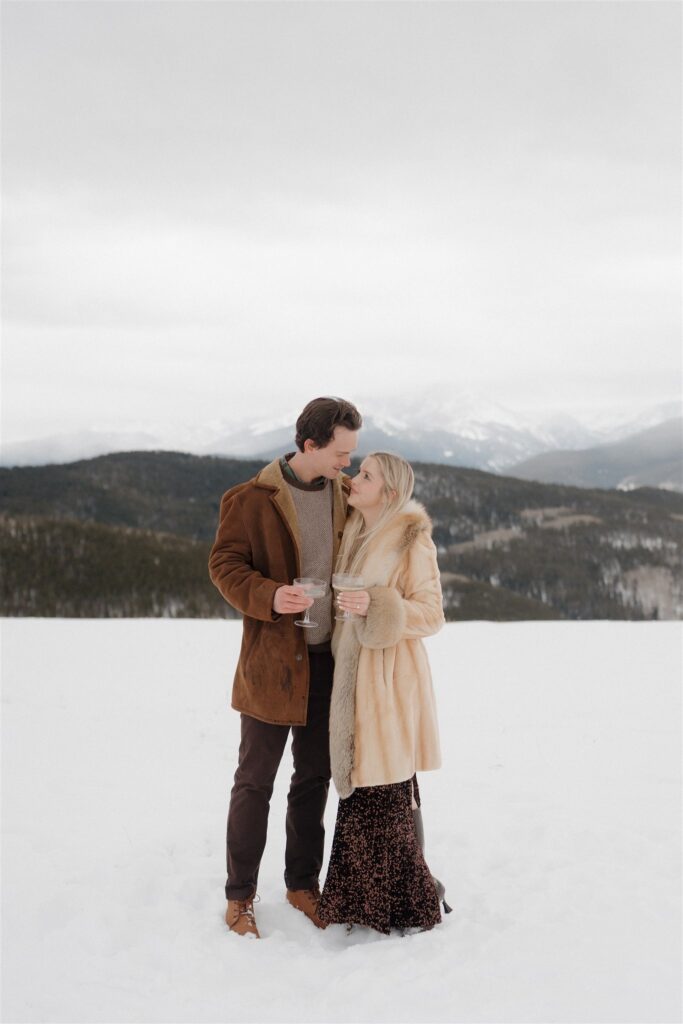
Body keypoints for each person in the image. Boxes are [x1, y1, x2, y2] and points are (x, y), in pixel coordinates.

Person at [208, 397, 362, 938]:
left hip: (329, 663)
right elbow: (224, 565)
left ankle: (302, 886)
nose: (349, 463)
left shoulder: (346, 495)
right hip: (272, 666)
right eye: (341, 452)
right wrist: (272, 596)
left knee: (314, 780)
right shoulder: (250, 500)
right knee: (255, 783)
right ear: (310, 445)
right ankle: (240, 897)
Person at [318, 451, 447, 935]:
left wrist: (381, 604)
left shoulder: (412, 537)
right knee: (362, 783)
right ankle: (363, 902)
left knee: (385, 783)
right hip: (354, 676)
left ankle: (406, 902)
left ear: (388, 493)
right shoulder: (356, 528)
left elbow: (431, 613)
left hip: (391, 681)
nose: (355, 478)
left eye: (366, 475)